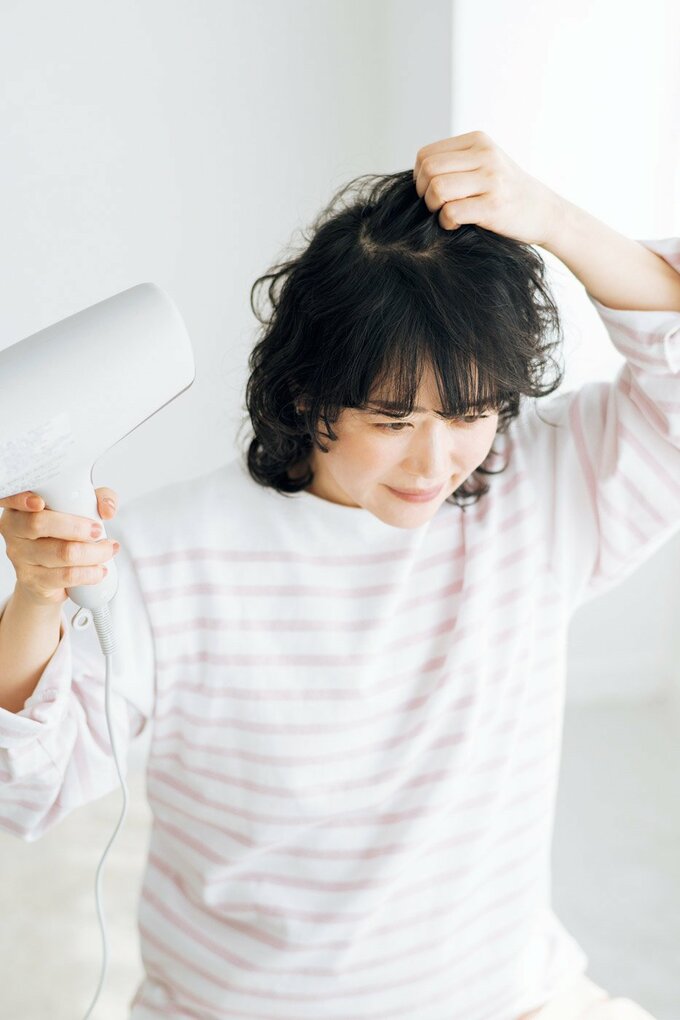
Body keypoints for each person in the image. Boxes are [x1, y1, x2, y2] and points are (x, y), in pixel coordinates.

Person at [1, 130, 677, 1020]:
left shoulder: (542, 493)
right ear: (305, 394)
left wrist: (550, 219)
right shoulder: (171, 558)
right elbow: (27, 791)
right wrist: (39, 597)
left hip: (515, 1000)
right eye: (393, 421)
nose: (438, 463)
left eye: (470, 412)